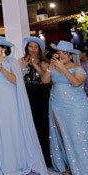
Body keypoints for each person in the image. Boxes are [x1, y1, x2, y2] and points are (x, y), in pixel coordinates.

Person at [0, 36, 47, 175]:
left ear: (3, 48)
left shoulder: (11, 62)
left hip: (8, 99)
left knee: (9, 127)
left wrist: (1, 69)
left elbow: (17, 80)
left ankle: (12, 161)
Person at [42, 41, 88, 175]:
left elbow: (76, 83)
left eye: (65, 53)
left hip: (76, 107)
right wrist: (50, 68)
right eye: (59, 53)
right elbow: (44, 80)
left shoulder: (78, 68)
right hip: (57, 105)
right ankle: (70, 167)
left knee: (79, 137)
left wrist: (63, 68)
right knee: (63, 136)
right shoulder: (54, 67)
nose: (61, 55)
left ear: (70, 55)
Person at [21, 36, 51, 166]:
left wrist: (34, 64)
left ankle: (44, 156)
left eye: (35, 47)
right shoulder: (20, 61)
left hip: (41, 95)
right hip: (26, 94)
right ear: (27, 48)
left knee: (42, 124)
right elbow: (16, 77)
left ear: (39, 49)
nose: (33, 49)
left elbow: (46, 79)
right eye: (30, 46)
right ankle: (29, 156)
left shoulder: (44, 63)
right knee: (27, 123)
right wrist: (25, 65)